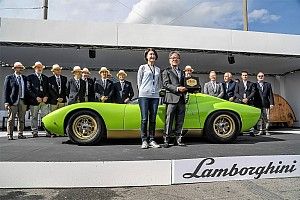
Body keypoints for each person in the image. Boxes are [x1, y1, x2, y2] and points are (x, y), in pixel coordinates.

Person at [161, 51, 187, 148]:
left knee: (180, 120)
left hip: (181, 99)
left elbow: (186, 84)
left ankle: (178, 139)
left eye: (176, 58)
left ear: (179, 60)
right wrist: (177, 89)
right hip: (171, 98)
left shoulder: (182, 72)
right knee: (169, 120)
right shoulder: (166, 71)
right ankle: (166, 140)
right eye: (173, 58)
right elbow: (166, 84)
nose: (175, 59)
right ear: (169, 60)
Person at [137, 48, 161, 149]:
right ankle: (144, 140)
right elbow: (139, 81)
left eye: (153, 54)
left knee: (153, 118)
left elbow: (159, 82)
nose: (152, 56)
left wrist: (158, 92)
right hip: (144, 96)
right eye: (150, 54)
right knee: (144, 118)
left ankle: (152, 139)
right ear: (146, 56)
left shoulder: (158, 69)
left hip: (155, 96)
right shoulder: (143, 67)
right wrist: (142, 91)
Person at [3, 62, 28, 140]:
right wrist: (6, 102)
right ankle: (9, 134)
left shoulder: (24, 78)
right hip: (12, 101)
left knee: (21, 118)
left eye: (21, 68)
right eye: (18, 68)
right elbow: (6, 91)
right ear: (15, 69)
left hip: (23, 101)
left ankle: (20, 133)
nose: (20, 69)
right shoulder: (9, 77)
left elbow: (27, 90)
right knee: (11, 119)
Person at [27, 61, 49, 137]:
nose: (39, 69)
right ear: (35, 68)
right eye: (38, 67)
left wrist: (46, 96)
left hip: (44, 101)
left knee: (45, 117)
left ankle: (47, 131)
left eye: (41, 67)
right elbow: (29, 89)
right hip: (34, 101)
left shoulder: (45, 78)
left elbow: (48, 89)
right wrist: (36, 97)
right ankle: (34, 131)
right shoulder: (30, 77)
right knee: (34, 117)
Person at [234, 70, 256, 136]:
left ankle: (251, 131)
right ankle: (241, 130)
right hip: (240, 102)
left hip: (249, 102)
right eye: (243, 75)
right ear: (241, 76)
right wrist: (242, 99)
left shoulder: (251, 83)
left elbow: (253, 92)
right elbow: (236, 93)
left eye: (246, 75)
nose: (245, 76)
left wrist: (247, 98)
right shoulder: (238, 84)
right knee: (241, 116)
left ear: (247, 76)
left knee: (250, 116)